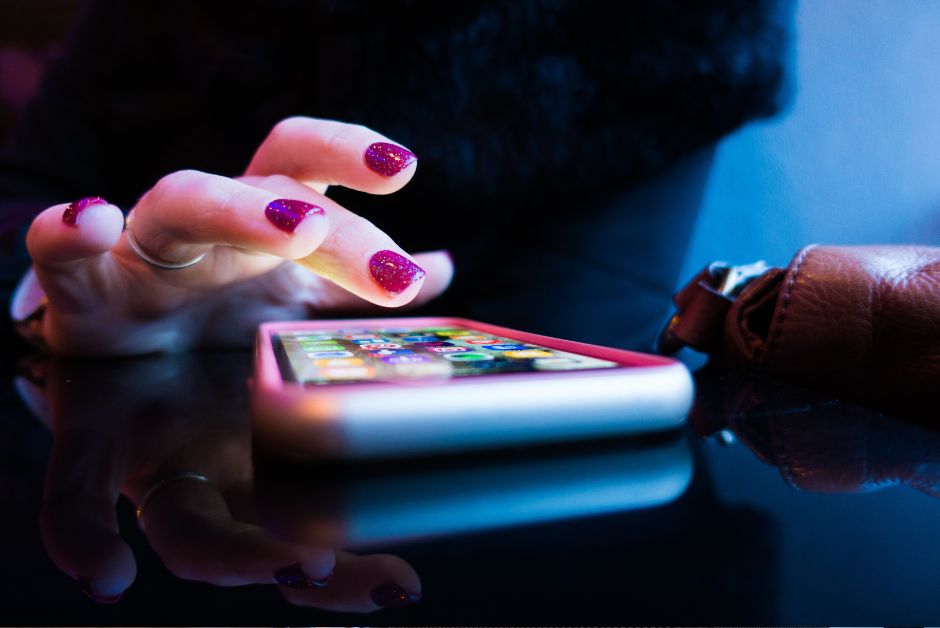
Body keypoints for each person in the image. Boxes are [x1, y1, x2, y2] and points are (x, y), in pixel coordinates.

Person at [1, 1, 790, 355]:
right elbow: (24, 194)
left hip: (499, 547)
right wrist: (50, 307)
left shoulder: (665, 39)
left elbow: (565, 351)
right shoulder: (141, 20)